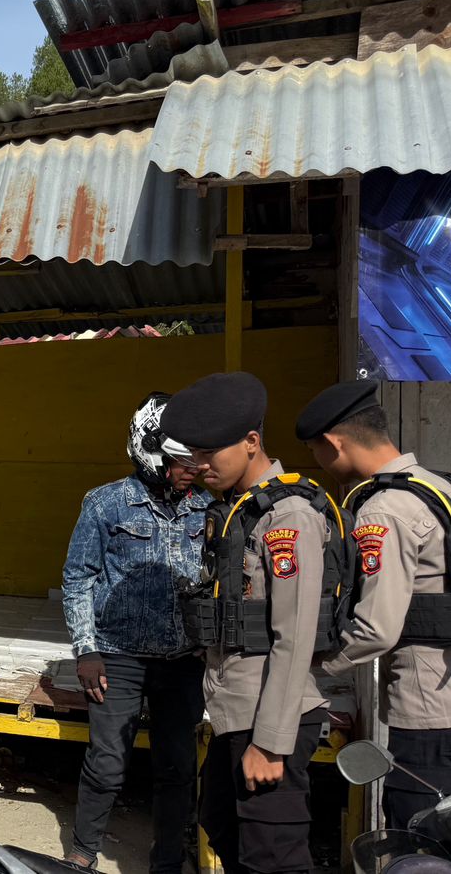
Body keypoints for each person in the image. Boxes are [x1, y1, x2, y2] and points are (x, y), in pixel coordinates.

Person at [299, 380, 451, 828]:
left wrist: (308, 665)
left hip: (430, 708)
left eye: (315, 450)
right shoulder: (437, 485)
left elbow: (376, 630)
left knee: (421, 834)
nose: (318, 461)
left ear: (334, 443)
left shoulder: (384, 509)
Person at [162, 372, 336, 874]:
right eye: (193, 453)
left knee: (272, 858)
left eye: (208, 453)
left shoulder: (289, 517)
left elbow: (293, 637)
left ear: (252, 442)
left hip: (269, 718)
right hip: (235, 707)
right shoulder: (240, 512)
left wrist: (270, 743)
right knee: (221, 824)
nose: (198, 465)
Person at [60, 393, 210, 872]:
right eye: (181, 461)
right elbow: (78, 577)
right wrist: (86, 650)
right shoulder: (105, 503)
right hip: (116, 656)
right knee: (107, 763)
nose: (191, 470)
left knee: (178, 767)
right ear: (150, 453)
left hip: (184, 660)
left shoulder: (208, 506)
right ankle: (83, 852)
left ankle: (167, 860)